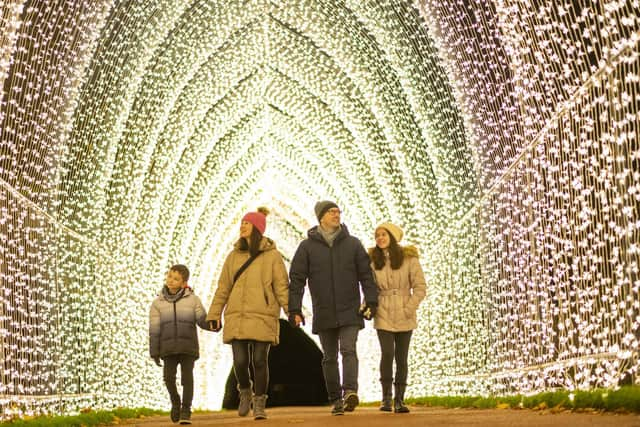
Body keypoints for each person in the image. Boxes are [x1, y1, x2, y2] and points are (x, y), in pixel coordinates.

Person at [288, 200, 378, 415]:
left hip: (350, 310)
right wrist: (294, 309)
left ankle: (350, 391)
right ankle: (336, 398)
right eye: (331, 212)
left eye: (338, 212)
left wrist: (371, 301)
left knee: (348, 350)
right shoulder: (306, 247)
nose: (336, 215)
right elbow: (297, 279)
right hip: (324, 310)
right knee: (329, 357)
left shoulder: (353, 244)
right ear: (321, 218)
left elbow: (366, 275)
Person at [206, 207, 288, 420]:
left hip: (263, 313)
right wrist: (214, 315)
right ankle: (245, 389)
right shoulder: (233, 256)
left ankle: (259, 402)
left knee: (260, 360)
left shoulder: (273, 257)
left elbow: (281, 287)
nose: (242, 226)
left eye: (247, 223)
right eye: (242, 223)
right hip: (237, 314)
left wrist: (292, 311)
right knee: (240, 361)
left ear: (257, 228)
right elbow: (223, 287)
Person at [369, 223, 426, 413]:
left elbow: (420, 287)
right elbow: (370, 287)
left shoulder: (409, 259)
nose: (380, 238)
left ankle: (399, 399)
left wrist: (409, 308)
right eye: (377, 235)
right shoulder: (373, 260)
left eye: (383, 234)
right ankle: (385, 398)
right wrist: (369, 305)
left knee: (402, 357)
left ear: (392, 237)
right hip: (383, 311)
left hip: (404, 312)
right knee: (387, 354)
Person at [149, 264, 209, 425]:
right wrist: (154, 351)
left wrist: (213, 324)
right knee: (168, 378)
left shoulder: (193, 300)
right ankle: (175, 402)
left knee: (187, 378)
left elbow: (202, 320)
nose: (171, 280)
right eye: (169, 276)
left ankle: (186, 410)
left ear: (184, 283)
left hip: (187, 347)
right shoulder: (158, 303)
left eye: (176, 279)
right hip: (167, 348)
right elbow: (154, 329)